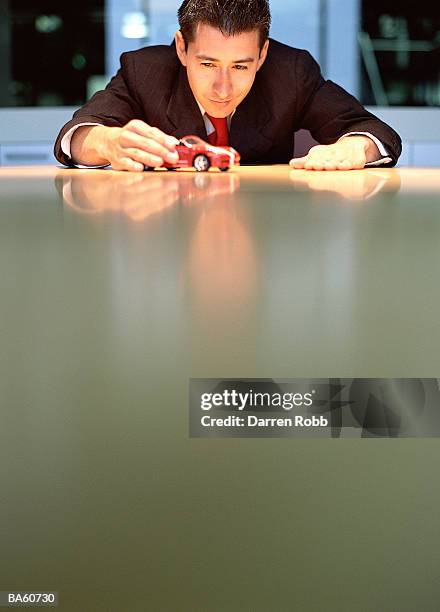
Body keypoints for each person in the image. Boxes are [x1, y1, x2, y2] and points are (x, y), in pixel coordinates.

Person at [54, 0, 402, 172]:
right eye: (207, 64)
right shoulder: (145, 71)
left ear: (263, 54)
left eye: (240, 66)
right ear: (181, 48)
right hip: (167, 230)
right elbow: (77, 134)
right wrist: (106, 141)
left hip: (261, 227)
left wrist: (357, 148)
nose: (222, 88)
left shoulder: (290, 72)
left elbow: (372, 131)